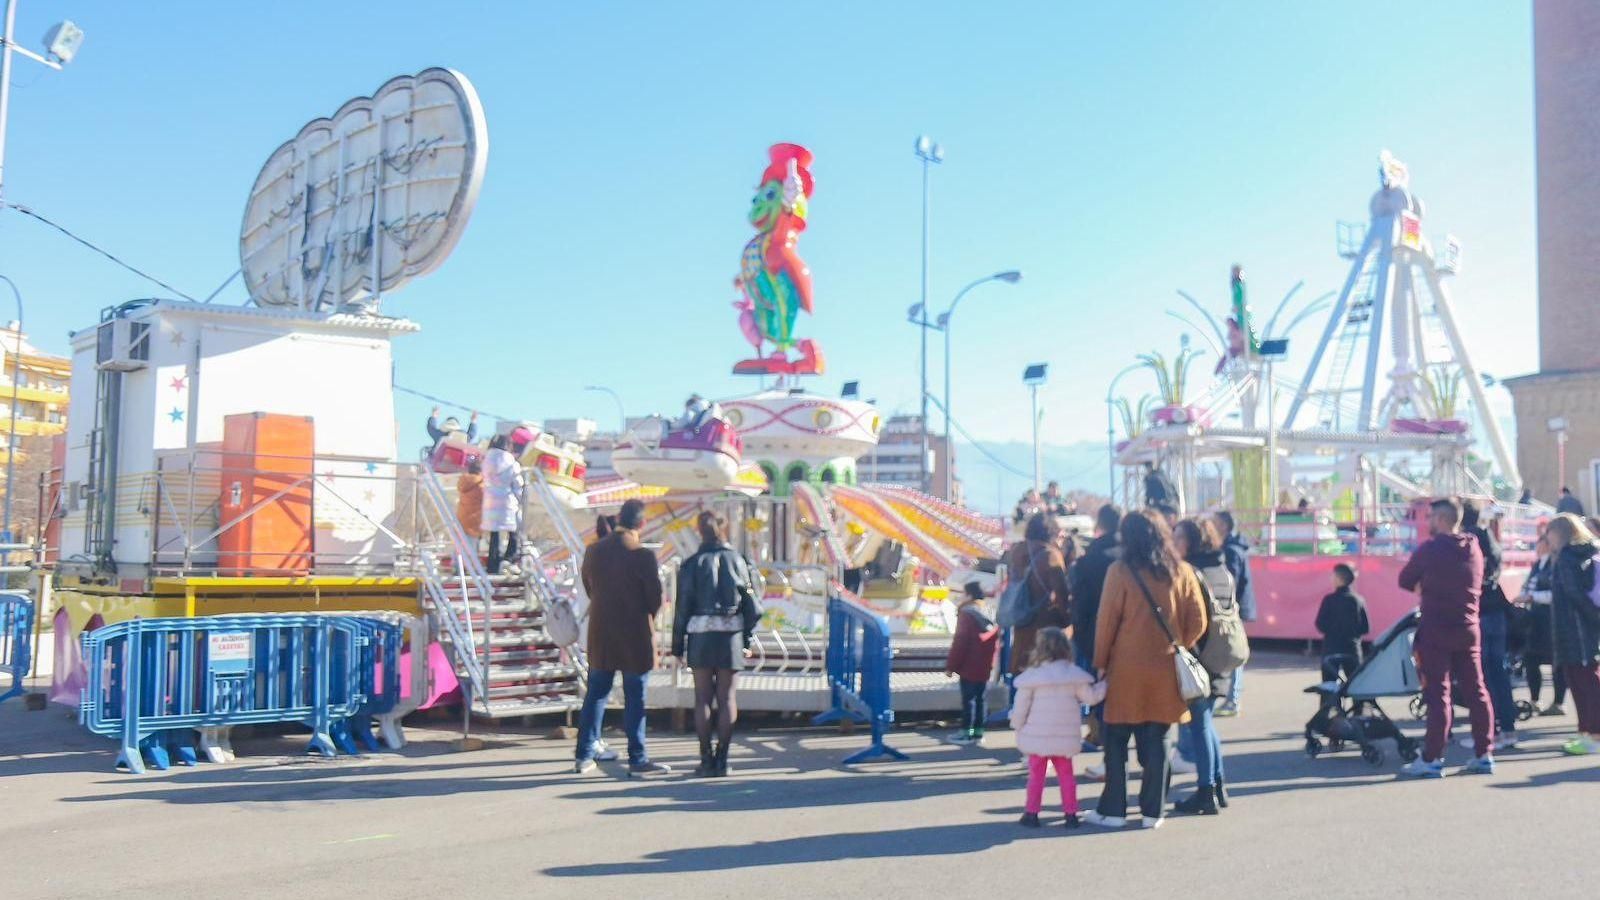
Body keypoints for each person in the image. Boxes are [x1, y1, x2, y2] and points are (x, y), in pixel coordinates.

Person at [1087, 509, 1207, 830]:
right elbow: (1199, 621)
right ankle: (1153, 811)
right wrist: (1177, 644)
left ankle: (1114, 810)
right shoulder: (1182, 571)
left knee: (1116, 741)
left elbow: (1106, 623)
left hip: (1125, 669)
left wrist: (1100, 663)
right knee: (1159, 741)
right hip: (1166, 668)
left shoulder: (1119, 571)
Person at [1397, 497, 1494, 777]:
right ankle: (1484, 753)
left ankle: (1432, 757)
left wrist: (1424, 585)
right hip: (1469, 627)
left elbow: (1405, 579)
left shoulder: (1431, 549)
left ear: (1440, 519)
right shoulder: (1474, 547)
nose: (1427, 522)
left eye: (1430, 517)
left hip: (1436, 627)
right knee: (1477, 691)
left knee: (1438, 693)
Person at [574, 499, 670, 776]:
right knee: (635, 698)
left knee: (596, 694)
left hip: (601, 632)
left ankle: (584, 754)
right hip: (634, 634)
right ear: (642, 523)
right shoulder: (642, 555)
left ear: (618, 519)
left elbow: (589, 587)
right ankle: (637, 759)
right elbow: (654, 598)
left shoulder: (594, 550)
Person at [672, 511, 761, 777]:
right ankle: (722, 760)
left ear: (699, 531)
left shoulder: (691, 564)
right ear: (725, 529)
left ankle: (705, 758)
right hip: (731, 636)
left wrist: (678, 646)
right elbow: (753, 607)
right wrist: (746, 637)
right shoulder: (739, 560)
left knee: (702, 698)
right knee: (727, 698)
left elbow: (682, 608)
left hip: (700, 635)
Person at [1010, 626, 1106, 829]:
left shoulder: (1032, 677)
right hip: (1065, 737)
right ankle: (1071, 814)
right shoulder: (1074, 675)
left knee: (1036, 777)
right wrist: (1105, 683)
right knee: (1067, 777)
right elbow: (1091, 697)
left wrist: (1017, 725)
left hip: (1037, 736)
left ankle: (1031, 813)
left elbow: (1020, 708)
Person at [1171, 517, 1233, 816]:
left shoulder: (1191, 572)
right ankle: (1218, 785)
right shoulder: (1222, 569)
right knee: (1206, 723)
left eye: (1178, 538)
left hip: (1199, 658)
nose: (1174, 544)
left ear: (1191, 542)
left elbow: (1193, 620)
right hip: (1221, 655)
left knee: (1199, 725)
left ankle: (1206, 790)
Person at [1463, 500, 1518, 749]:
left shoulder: (1467, 541)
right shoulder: (1491, 540)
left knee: (1482, 676)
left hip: (1479, 612)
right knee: (1499, 672)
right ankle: (1508, 729)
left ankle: (1489, 731)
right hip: (1497, 611)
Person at [1545, 513, 1600, 755]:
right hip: (1584, 629)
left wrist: (1593, 616)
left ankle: (1592, 734)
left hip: (1573, 629)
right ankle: (1586, 732)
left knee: (1583, 683)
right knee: (1586, 681)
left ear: (1558, 533)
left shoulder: (1566, 557)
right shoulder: (1585, 553)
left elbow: (1573, 592)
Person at [1069, 504, 1121, 749]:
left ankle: (1099, 731)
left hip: (1094, 631)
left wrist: (1080, 631)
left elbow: (1080, 600)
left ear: (1100, 523)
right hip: (1129, 633)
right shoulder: (1133, 553)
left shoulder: (1091, 557)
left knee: (1098, 685)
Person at [1006, 513, 1072, 676]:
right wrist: (1068, 619)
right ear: (1050, 532)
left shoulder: (1016, 552)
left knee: (1022, 680)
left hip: (1021, 625)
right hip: (1045, 633)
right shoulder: (1050, 555)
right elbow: (1061, 594)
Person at [945, 581, 999, 746]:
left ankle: (965, 733)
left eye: (963, 593)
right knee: (981, 699)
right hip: (985, 663)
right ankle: (978, 733)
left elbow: (960, 642)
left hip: (969, 664)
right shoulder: (989, 611)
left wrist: (951, 666)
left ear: (969, 595)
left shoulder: (967, 614)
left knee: (968, 700)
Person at [1521, 528, 1568, 716]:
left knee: (1557, 663)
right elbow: (1527, 587)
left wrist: (1533, 597)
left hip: (1551, 620)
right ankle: (1535, 699)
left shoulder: (1556, 564)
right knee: (1531, 660)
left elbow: (1556, 594)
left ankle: (1558, 702)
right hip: (1535, 621)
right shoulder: (1537, 565)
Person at [1214, 510, 1256, 716]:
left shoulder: (1230, 550)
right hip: (1236, 607)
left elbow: (1230, 582)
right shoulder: (1235, 547)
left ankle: (1233, 699)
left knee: (1233, 652)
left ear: (1223, 525)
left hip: (1233, 608)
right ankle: (1232, 697)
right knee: (1232, 651)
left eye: (1215, 523)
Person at [1315, 563, 1369, 682]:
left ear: (1338, 579)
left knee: (1329, 686)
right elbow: (1365, 628)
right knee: (1355, 685)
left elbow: (1319, 624)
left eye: (1333, 576)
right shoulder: (1358, 600)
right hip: (1352, 649)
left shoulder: (1329, 600)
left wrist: (1332, 632)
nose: (1331, 578)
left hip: (1331, 649)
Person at [480, 435, 525, 575]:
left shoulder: (486, 460)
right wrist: (520, 498)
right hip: (507, 501)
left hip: (490, 501)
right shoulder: (511, 462)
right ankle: (509, 558)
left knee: (495, 534)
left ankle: (492, 566)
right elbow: (518, 484)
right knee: (514, 531)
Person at [455, 459, 484, 544]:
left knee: (460, 547)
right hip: (474, 523)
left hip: (461, 521)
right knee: (471, 548)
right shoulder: (481, 485)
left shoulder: (463, 482)